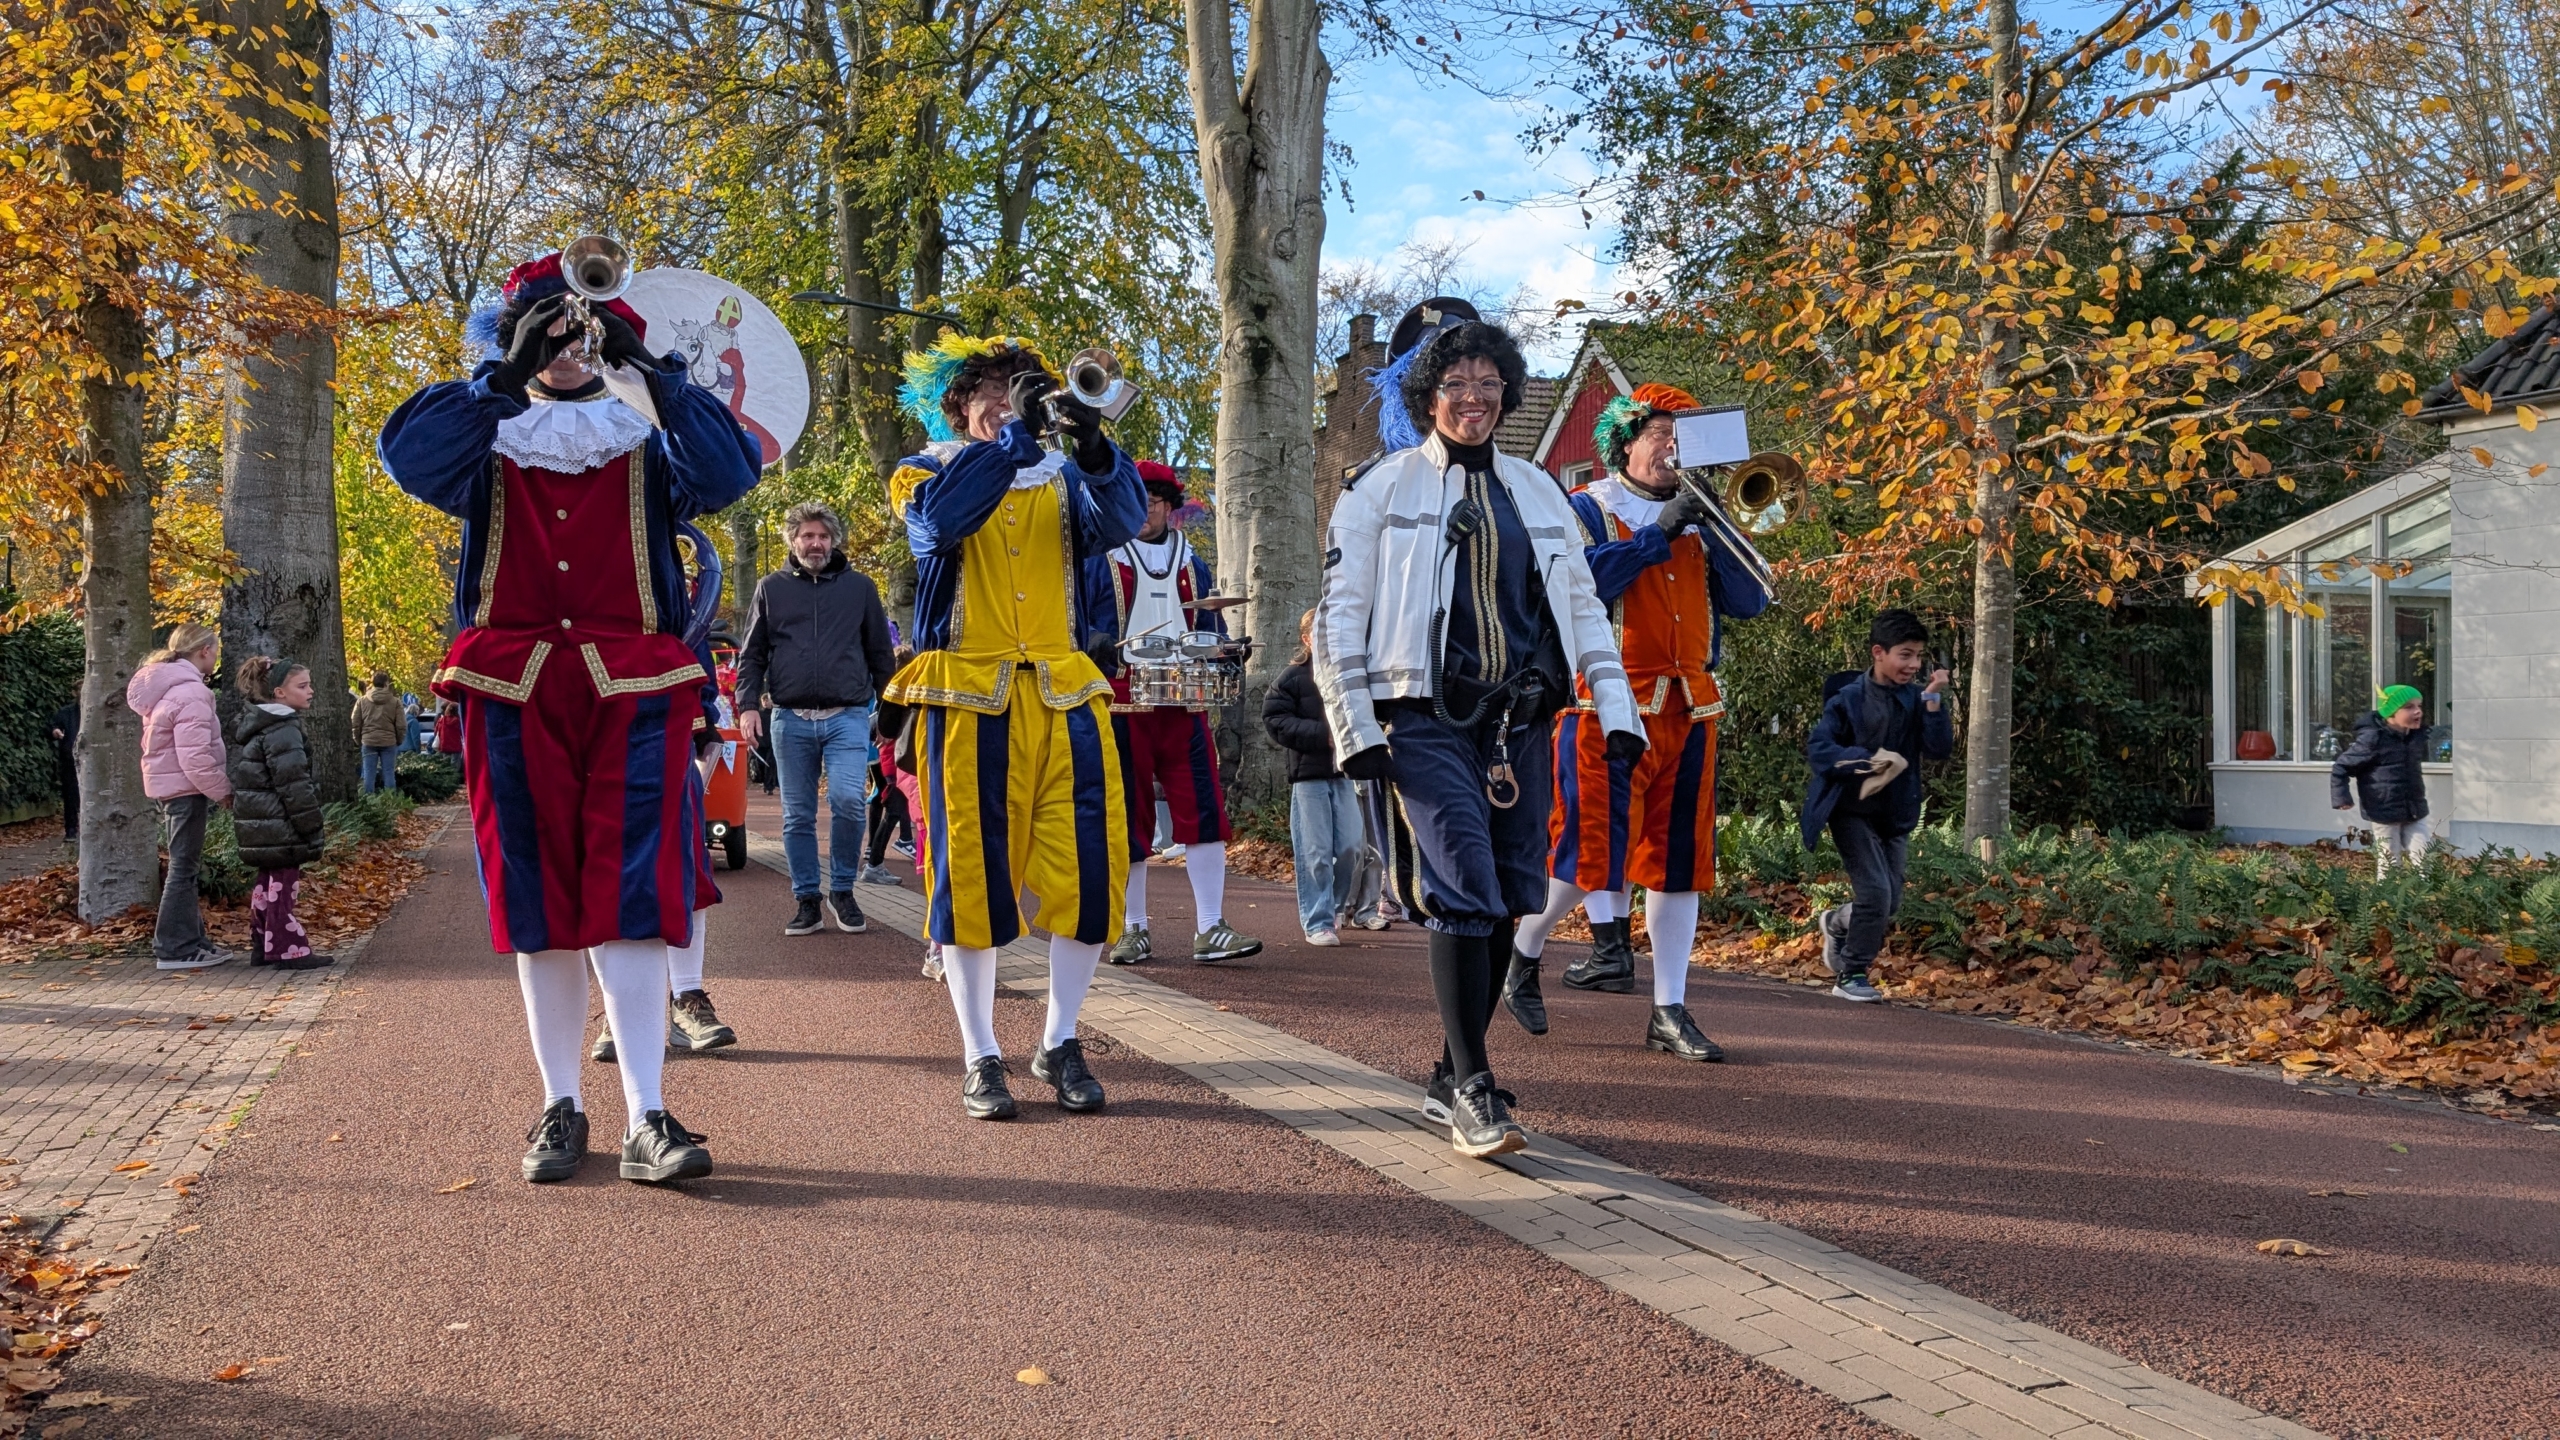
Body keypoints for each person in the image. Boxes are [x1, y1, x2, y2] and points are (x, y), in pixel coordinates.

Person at [379, 247, 760, 1186]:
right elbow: (409, 455)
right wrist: (502, 374)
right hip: (512, 690)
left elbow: (728, 470)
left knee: (633, 898)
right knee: (538, 903)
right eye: (542, 325)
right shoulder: (485, 433)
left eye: (577, 322)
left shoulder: (644, 433)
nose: (563, 340)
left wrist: (650, 370)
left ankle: (647, 1113)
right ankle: (562, 1102)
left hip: (633, 692)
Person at [1315, 300, 1641, 1158]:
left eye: (1489, 383)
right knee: (1461, 885)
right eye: (1456, 383)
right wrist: (1357, 728)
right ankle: (1474, 1088)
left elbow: (1582, 608)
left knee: (1508, 896)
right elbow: (1341, 618)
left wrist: (1618, 712)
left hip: (1519, 723)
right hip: (1420, 718)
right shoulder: (1376, 490)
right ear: (1427, 394)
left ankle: (1448, 1070)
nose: (1474, 398)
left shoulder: (1540, 491)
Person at [881, 333, 1143, 1120]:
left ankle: (1061, 1037)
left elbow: (1126, 516)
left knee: (1091, 879)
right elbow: (943, 527)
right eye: (988, 388)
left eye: (1019, 384)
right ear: (959, 407)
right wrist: (1016, 439)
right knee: (969, 881)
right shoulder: (921, 472)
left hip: (1067, 698)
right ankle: (980, 1051)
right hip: (965, 702)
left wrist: (1092, 439)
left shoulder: (1067, 479)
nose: (1005, 396)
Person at [1506, 384, 1773, 1062]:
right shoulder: (1587, 507)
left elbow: (1752, 602)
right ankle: (1520, 951)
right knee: (1589, 856)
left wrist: (1711, 523)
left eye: (1684, 438)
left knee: (1675, 866)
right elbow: (1574, 586)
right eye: (1661, 434)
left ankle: (1669, 1010)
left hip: (1691, 708)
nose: (1673, 448)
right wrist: (1658, 533)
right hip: (1605, 706)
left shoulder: (1705, 515)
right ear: (1625, 441)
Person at [1091, 462, 1261, 966]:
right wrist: (1097, 643)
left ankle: (1210, 926)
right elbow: (1079, 622)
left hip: (1184, 699)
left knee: (1203, 808)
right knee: (1130, 816)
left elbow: (1210, 623)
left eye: (1152, 502)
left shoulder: (1194, 561)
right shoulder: (1101, 557)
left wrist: (1228, 649)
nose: (1142, 511)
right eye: (1134, 501)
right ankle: (1133, 927)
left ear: (1168, 506)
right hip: (1123, 701)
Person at [733, 501, 898, 936]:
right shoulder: (771, 588)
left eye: (823, 536)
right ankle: (807, 899)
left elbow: (882, 654)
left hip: (848, 716)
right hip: (790, 719)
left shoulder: (860, 588)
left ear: (834, 540)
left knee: (847, 800)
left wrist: (894, 715)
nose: (816, 543)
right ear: (793, 540)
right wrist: (748, 704)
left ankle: (843, 889)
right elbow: (751, 654)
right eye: (807, 536)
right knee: (797, 816)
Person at [1801, 609, 1953, 1002]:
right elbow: (1820, 749)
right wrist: (1868, 762)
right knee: (1875, 893)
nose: (1914, 664)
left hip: (1895, 814)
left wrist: (1934, 700)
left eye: (1918, 656)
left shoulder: (1918, 698)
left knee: (1891, 901)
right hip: (1850, 811)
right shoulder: (1847, 699)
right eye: (1905, 655)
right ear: (1878, 653)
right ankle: (1850, 974)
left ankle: (1837, 923)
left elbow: (1938, 750)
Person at [128, 623, 233, 972]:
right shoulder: (191, 693)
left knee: (183, 868)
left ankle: (192, 941)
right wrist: (225, 793)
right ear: (204, 650)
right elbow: (195, 757)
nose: (216, 658)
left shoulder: (169, 689)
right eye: (215, 651)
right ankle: (175, 947)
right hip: (186, 790)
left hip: (172, 789)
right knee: (183, 869)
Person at [1265, 610, 1362, 946]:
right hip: (1308, 775)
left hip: (1346, 772)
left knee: (1352, 847)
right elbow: (1275, 719)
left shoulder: (1351, 673)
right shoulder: (1291, 678)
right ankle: (1317, 920)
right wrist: (1325, 735)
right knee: (1316, 852)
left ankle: (1334, 908)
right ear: (1306, 639)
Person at [229, 657, 333, 970]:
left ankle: (262, 943)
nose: (310, 691)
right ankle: (288, 949)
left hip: (264, 824)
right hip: (281, 825)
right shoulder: (282, 731)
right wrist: (311, 823)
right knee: (282, 888)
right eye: (302, 686)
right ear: (279, 693)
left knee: (268, 884)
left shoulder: (262, 727)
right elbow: (294, 785)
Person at [2332, 685, 2432, 876]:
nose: (2418, 711)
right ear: (2391, 713)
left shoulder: (2415, 737)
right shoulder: (2373, 740)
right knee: (2389, 861)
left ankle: (2428, 899)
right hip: (2383, 810)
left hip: (2414, 809)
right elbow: (2341, 767)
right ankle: (2386, 900)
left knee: (2425, 857)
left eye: (2419, 705)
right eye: (2409, 707)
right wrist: (2341, 797)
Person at [860, 665, 916, 885]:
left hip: (895, 764)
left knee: (893, 810)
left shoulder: (893, 695)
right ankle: (874, 863)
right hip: (896, 765)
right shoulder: (895, 698)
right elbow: (887, 738)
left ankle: (874, 861)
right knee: (894, 810)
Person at [352, 671, 404, 794]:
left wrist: (358, 739)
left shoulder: (362, 701)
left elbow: (355, 723)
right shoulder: (395, 702)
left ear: (373, 683)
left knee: (369, 773)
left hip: (368, 741)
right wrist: (399, 740)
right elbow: (401, 725)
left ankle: (368, 801)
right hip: (389, 741)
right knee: (389, 773)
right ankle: (390, 801)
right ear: (386, 683)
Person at [47, 700, 78, 841]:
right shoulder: (66, 712)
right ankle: (71, 830)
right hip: (69, 760)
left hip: (93, 760)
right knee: (70, 795)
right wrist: (55, 731)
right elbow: (53, 726)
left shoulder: (97, 710)